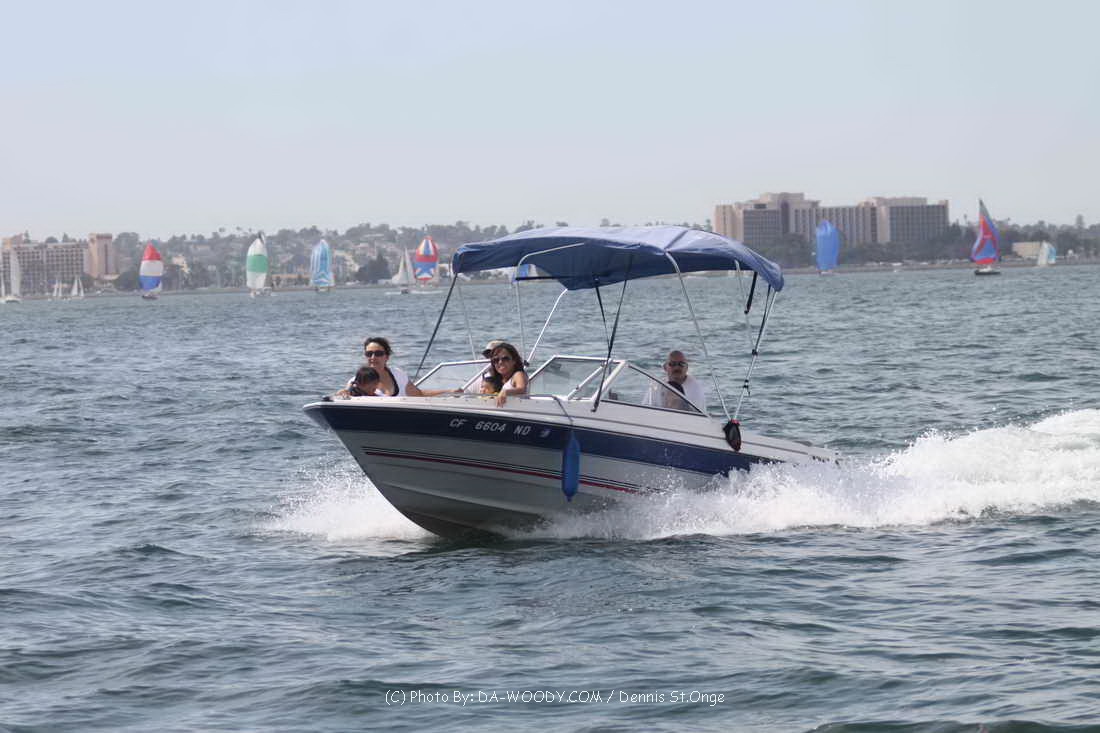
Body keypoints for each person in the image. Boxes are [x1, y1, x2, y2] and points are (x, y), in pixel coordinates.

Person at [355, 337, 459, 397]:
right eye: (369, 354)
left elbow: (419, 394)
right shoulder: (357, 380)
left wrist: (447, 391)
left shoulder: (398, 375)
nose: (373, 357)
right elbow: (348, 395)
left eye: (378, 353)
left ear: (386, 357)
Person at [480, 341, 528, 407]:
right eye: (496, 360)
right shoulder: (496, 378)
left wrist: (506, 392)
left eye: (505, 359)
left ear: (514, 360)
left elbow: (522, 389)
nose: (500, 362)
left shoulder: (518, 374)